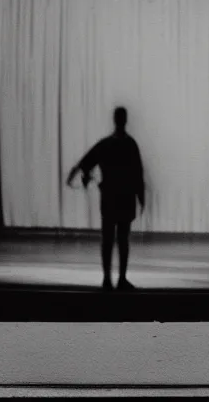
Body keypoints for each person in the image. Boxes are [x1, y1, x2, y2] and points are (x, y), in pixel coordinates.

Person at [66, 107, 145, 291]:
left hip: (109, 196)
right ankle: (121, 279)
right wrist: (141, 197)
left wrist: (76, 176)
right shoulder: (130, 144)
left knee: (108, 239)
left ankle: (107, 279)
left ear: (114, 120)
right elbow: (137, 173)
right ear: (125, 120)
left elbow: (85, 162)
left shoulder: (106, 144)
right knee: (123, 239)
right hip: (124, 197)